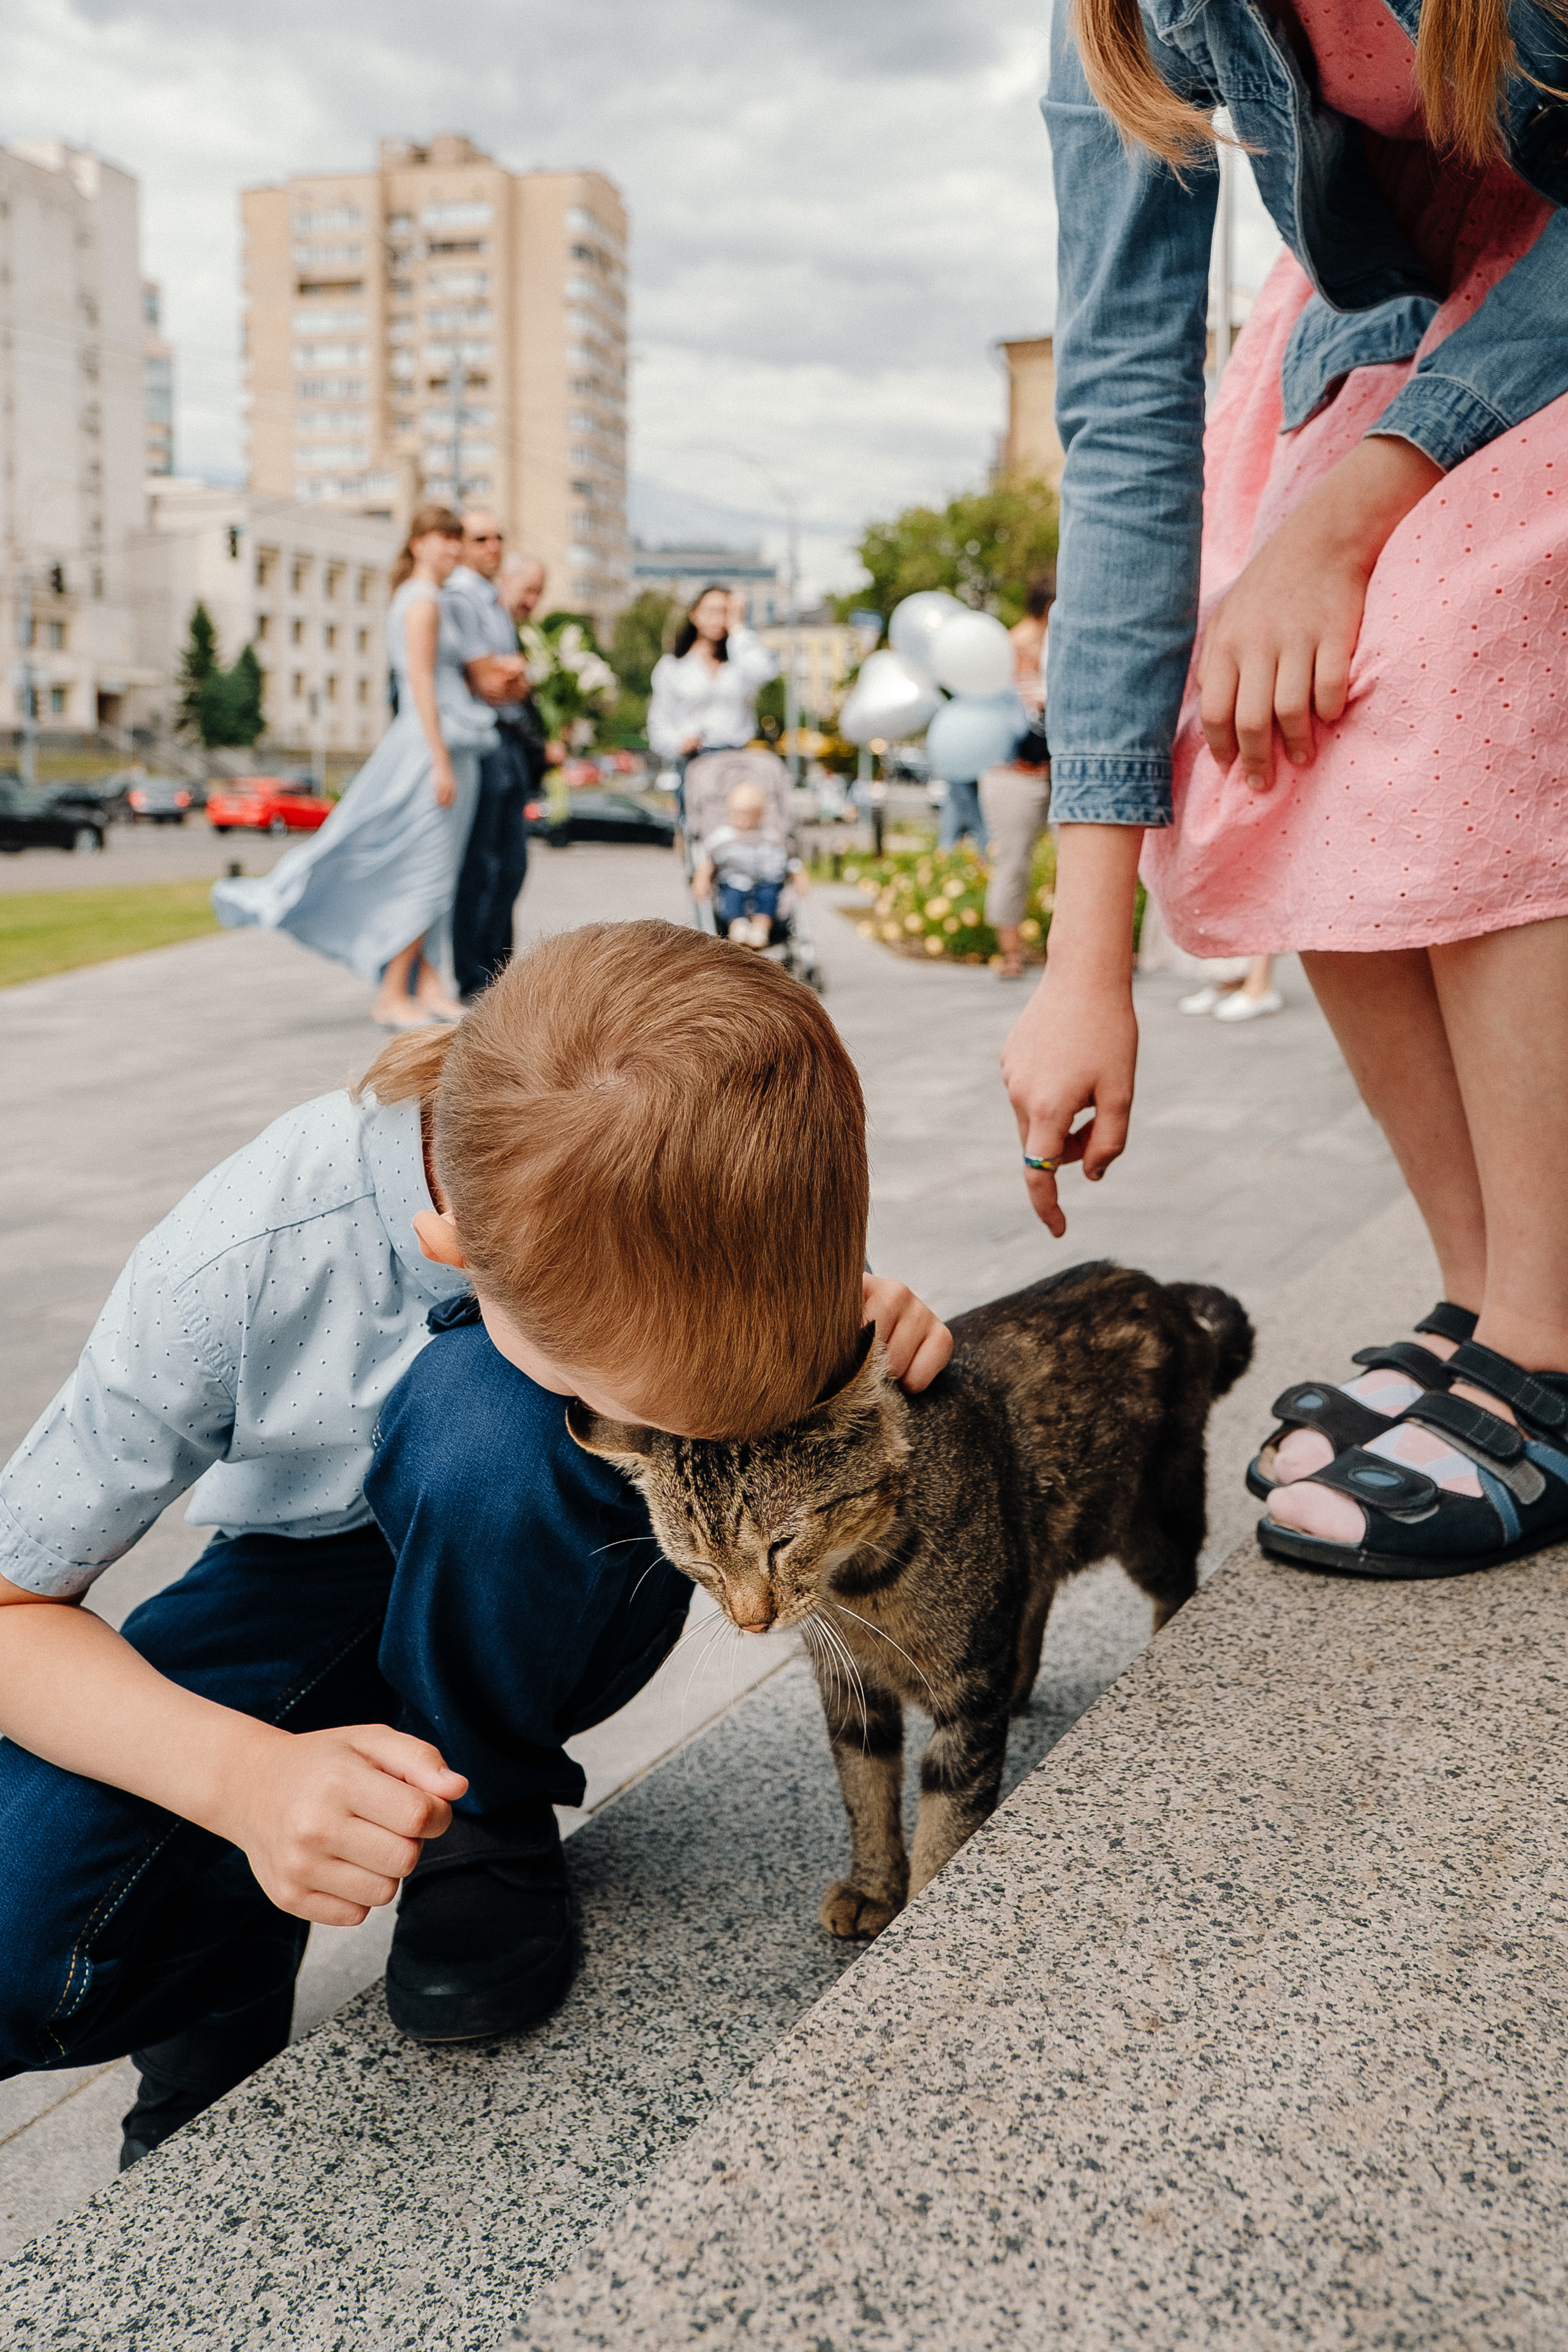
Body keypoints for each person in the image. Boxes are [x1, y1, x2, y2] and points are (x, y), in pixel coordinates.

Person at [0, 921, 951, 2166]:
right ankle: (222, 1984)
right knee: (25, 1925)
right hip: (300, 1571)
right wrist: (243, 1784)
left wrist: (854, 1344)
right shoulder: (239, 1256)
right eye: (655, 1418)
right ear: (449, 1252)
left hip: (541, 1576)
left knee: (486, 1419)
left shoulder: (691, 1165)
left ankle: (485, 1810)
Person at [1002, 0, 1568, 1580]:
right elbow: (1121, 414)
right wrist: (1084, 964)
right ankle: (1486, 1300)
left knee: (1455, 624)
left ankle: (1551, 1340)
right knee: (1274, 693)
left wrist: (1351, 516)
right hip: (1380, 315)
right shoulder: (1119, 21)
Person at [213, 507, 494, 1029]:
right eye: (444, 538)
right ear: (418, 544)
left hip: (448, 743)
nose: (454, 549)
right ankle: (393, 992)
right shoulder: (423, 602)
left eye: (458, 539)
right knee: (427, 872)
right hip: (432, 748)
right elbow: (420, 684)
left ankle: (428, 984)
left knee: (437, 870)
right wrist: (439, 760)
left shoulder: (426, 599)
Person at [447, 517, 549, 1003]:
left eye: (498, 538)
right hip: (481, 738)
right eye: (480, 539)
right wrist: (506, 677)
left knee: (511, 864)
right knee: (481, 863)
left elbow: (513, 681)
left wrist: (512, 678)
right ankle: (474, 975)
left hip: (507, 739)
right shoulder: (459, 598)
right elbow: (488, 680)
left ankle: (498, 969)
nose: (492, 546)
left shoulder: (493, 603)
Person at [647, 587, 779, 812]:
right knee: (699, 826)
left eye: (725, 612)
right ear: (694, 614)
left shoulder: (739, 661)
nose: (718, 620)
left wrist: (737, 628)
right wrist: (679, 743)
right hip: (695, 760)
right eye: (711, 612)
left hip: (738, 760)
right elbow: (659, 722)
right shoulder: (673, 666)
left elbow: (763, 672)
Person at [691, 779, 801, 947]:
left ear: (760, 815)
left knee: (769, 898)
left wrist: (798, 875)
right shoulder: (723, 837)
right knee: (731, 897)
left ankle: (761, 930)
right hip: (733, 880)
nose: (744, 820)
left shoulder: (770, 836)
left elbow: (788, 857)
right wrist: (701, 878)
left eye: (750, 815)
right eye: (738, 814)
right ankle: (738, 927)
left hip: (766, 881)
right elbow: (708, 860)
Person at [979, 737, 1052, 981]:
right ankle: (1012, 956)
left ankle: (1103, 951)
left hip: (1073, 768)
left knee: (1087, 866)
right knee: (1012, 864)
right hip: (1015, 771)